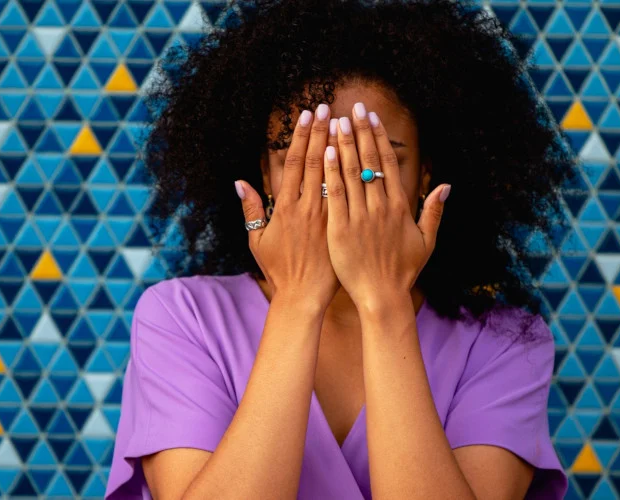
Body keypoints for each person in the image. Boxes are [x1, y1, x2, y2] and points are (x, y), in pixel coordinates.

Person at [105, 0, 578, 498]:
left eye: (373, 163)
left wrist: (384, 302)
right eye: (304, 159)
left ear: (425, 176)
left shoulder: (503, 344)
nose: (337, 186)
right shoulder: (180, 319)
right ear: (265, 176)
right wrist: (297, 299)